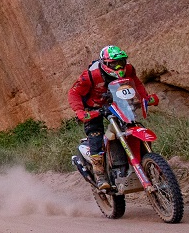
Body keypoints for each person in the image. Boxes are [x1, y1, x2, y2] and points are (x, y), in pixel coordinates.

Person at [67, 45, 156, 189]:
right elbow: (74, 93)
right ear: (105, 63)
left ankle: (144, 163)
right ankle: (100, 175)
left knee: (132, 126)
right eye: (114, 63)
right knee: (95, 136)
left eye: (121, 62)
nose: (119, 66)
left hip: (118, 103)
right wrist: (80, 111)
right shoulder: (91, 75)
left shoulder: (129, 69)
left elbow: (136, 83)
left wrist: (145, 98)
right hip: (94, 107)